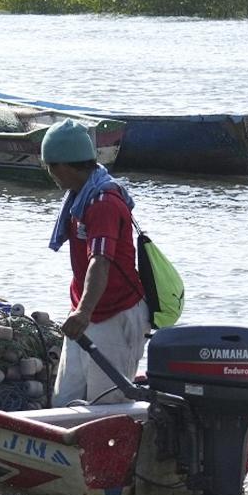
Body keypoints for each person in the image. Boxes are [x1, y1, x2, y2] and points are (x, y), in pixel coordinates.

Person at [41, 118, 150, 405]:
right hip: (86, 312)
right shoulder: (80, 197)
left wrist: (84, 312)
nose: (50, 174)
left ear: (63, 165)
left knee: (107, 406)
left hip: (113, 314)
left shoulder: (103, 203)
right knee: (64, 401)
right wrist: (81, 311)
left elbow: (100, 261)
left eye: (49, 166)